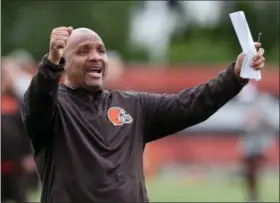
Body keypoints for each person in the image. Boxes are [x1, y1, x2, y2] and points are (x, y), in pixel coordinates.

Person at [21, 26, 265, 202]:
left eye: (100, 50)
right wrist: (51, 63)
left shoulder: (132, 105)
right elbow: (38, 101)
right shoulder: (53, 108)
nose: (95, 56)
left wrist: (234, 76)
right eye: (83, 51)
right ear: (64, 61)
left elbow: (189, 104)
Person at [1, 56, 36, 202]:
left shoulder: (19, 101)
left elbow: (27, 130)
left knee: (20, 196)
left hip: (17, 163)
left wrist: (29, 154)